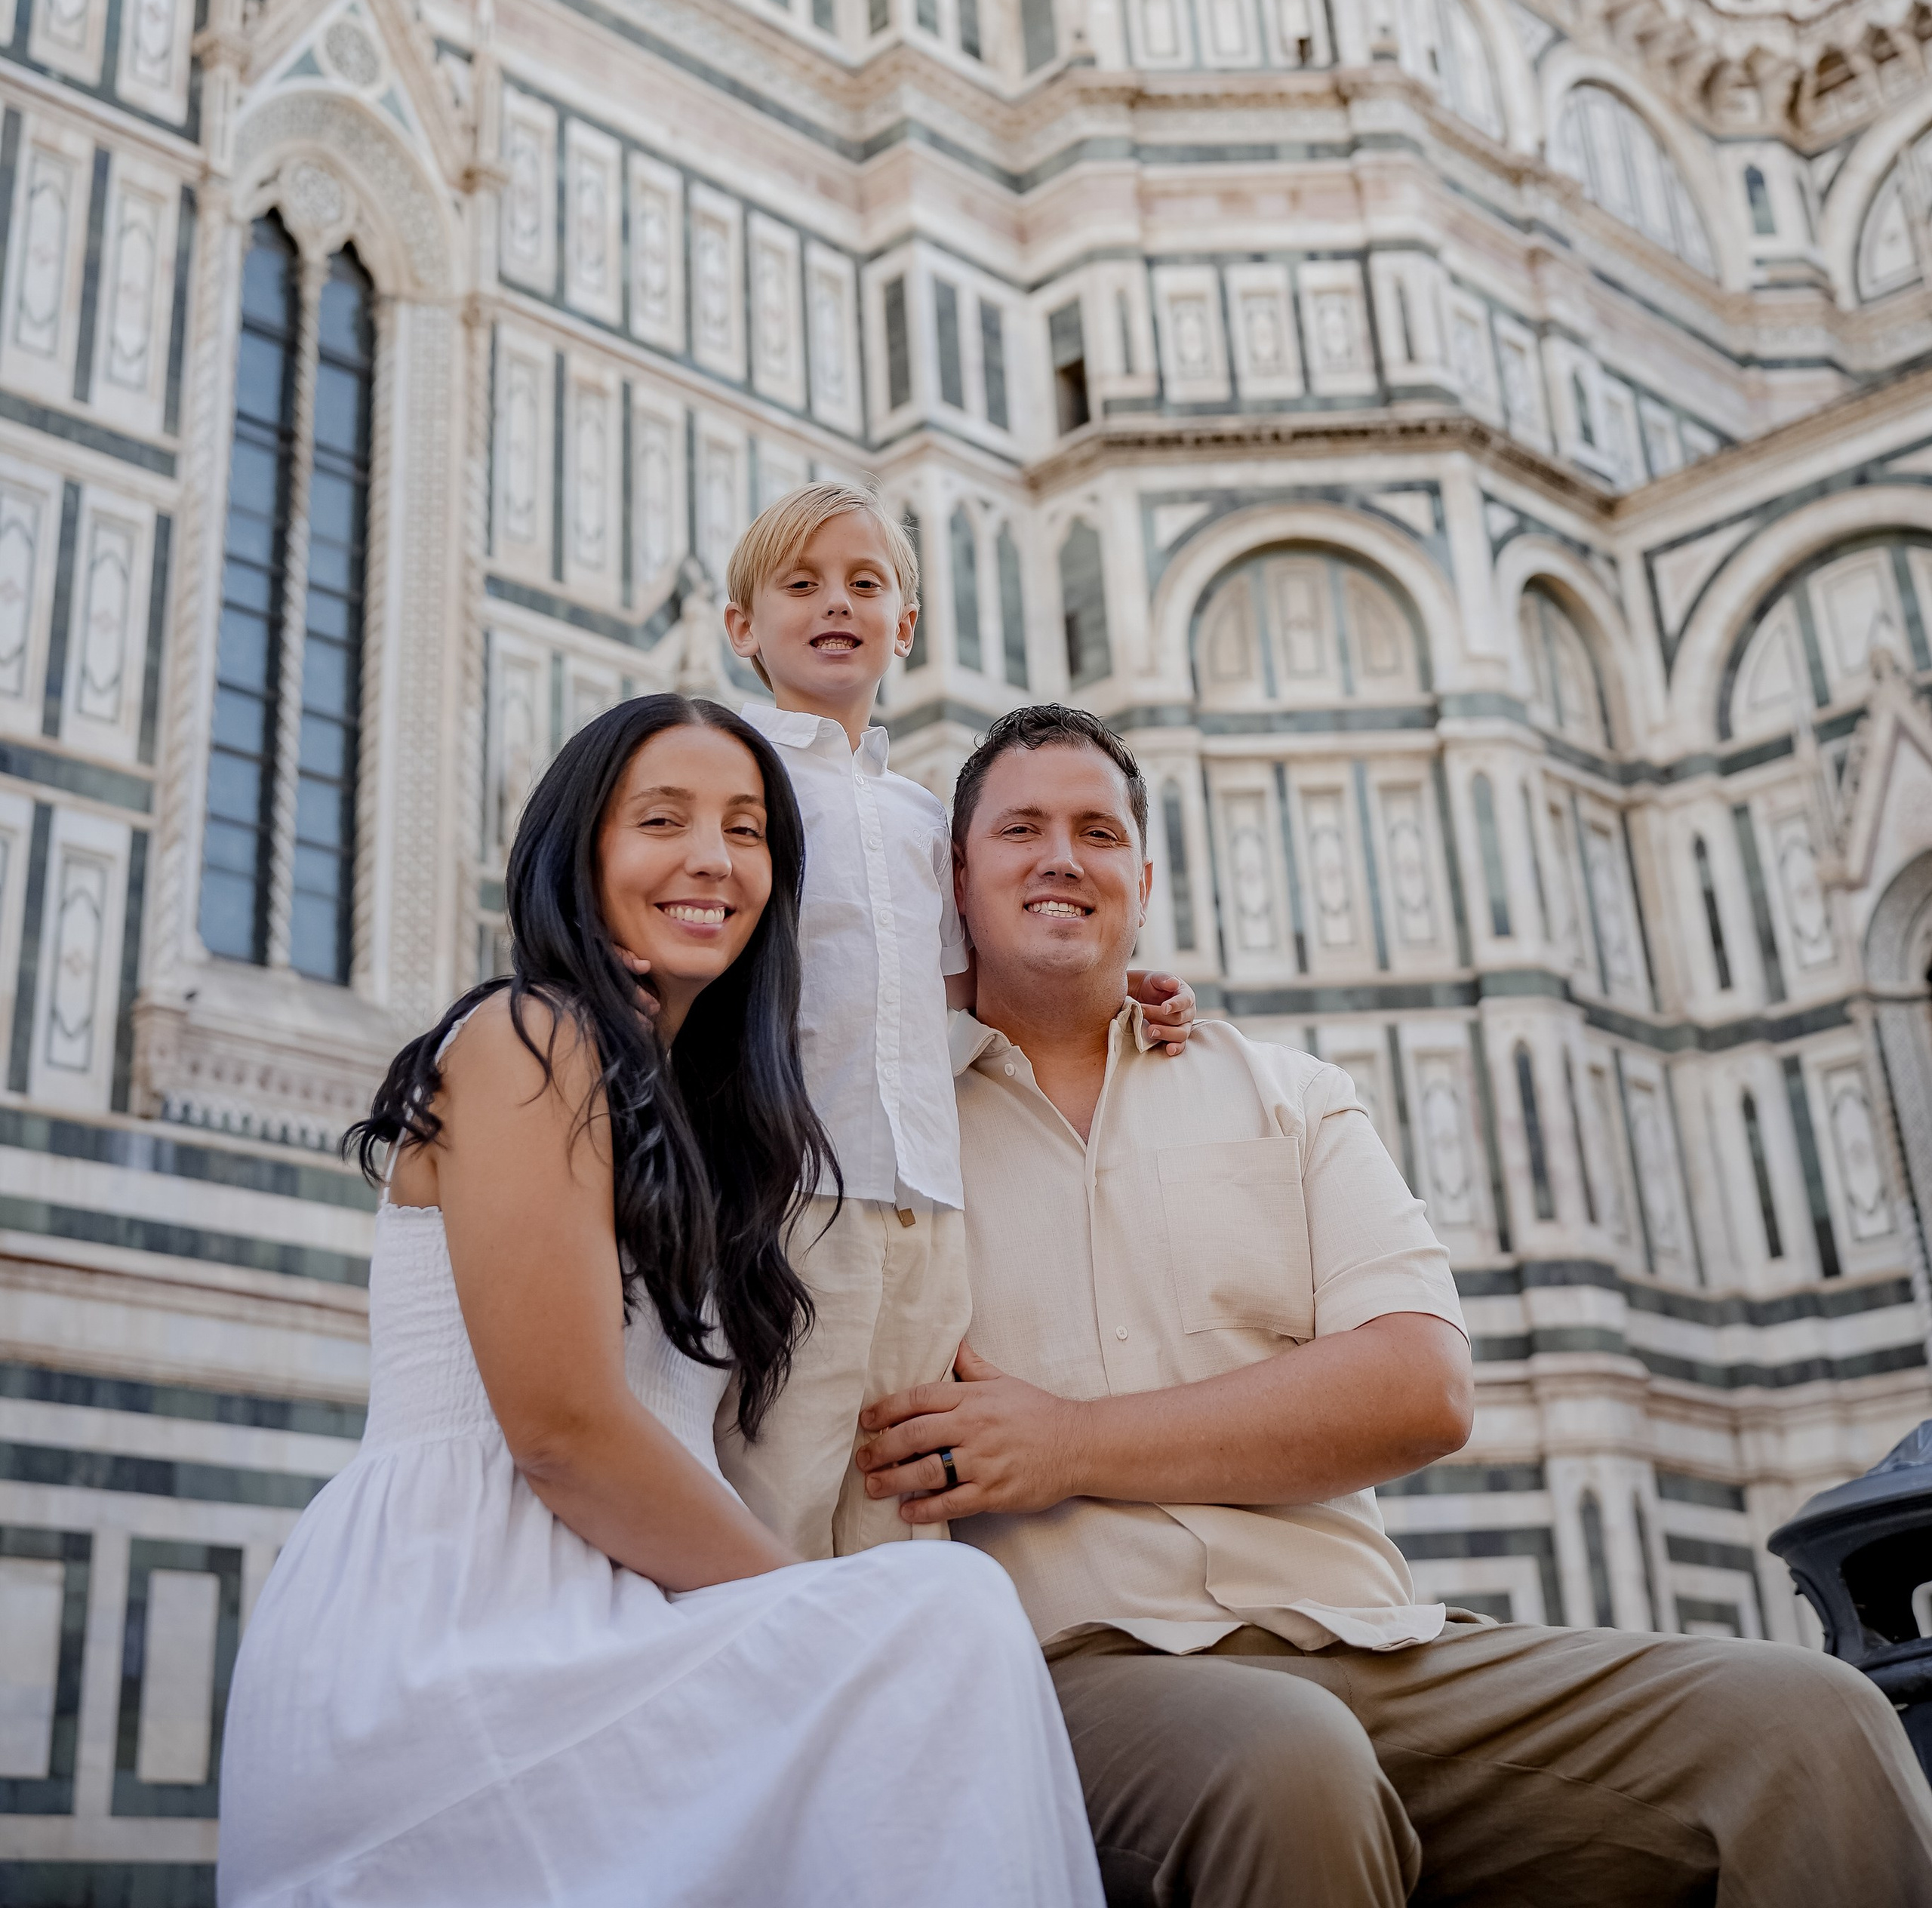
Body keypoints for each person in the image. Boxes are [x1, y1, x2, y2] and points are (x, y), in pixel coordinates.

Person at [856, 701, 1932, 1907]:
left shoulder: (1288, 1092)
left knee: (1812, 1721)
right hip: (1076, 1673)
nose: (1063, 857)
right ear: (956, 874)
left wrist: (1064, 1445)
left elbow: (1420, 1387)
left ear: (1144, 879)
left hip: (1373, 1642)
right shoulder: (882, 1132)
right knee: (1287, 1763)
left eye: (1098, 832)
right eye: (1021, 831)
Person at [217, 694, 1102, 1908]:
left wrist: (1115, 1004)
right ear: (579, 853)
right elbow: (564, 1433)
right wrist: (803, 1611)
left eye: (747, 831)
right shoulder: (531, 1037)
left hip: (615, 1611)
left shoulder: (706, 1123)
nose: (712, 859)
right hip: (467, 1621)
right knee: (940, 1618)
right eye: (663, 820)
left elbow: (897, 1026)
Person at [717, 482, 1193, 1559]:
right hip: (795, 1195)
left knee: (901, 1505)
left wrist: (1130, 991)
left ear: (906, 627)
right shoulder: (735, 781)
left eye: (866, 583)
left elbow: (971, 990)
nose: (837, 603)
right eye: (802, 584)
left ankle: (897, 1710)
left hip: (927, 1213)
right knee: (778, 1492)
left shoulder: (924, 818)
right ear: (744, 627)